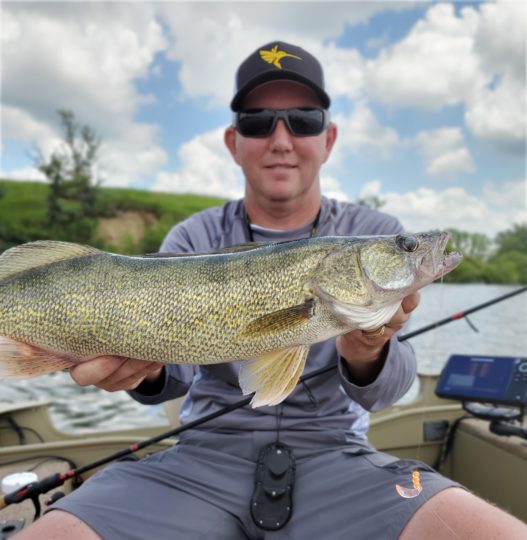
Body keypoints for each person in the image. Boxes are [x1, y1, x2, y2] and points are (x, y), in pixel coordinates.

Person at [15, 41, 527, 540]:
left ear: (327, 139)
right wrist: (141, 375)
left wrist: (369, 351)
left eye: (303, 120)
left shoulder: (371, 227)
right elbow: (170, 380)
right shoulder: (193, 238)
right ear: (233, 142)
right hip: (201, 459)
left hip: (338, 457)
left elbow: (389, 392)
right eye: (258, 123)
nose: (281, 139)